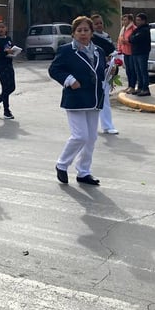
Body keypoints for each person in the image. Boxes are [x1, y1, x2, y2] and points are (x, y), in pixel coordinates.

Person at [48, 16, 107, 186]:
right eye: (79, 30)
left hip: (94, 99)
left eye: (86, 30)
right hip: (75, 99)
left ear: (91, 32)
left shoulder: (98, 51)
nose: (83, 33)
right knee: (80, 136)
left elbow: (100, 71)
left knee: (91, 138)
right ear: (73, 33)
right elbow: (54, 69)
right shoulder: (66, 50)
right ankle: (62, 164)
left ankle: (84, 172)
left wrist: (112, 70)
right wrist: (69, 80)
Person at [91, 14, 118, 135]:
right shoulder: (92, 39)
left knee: (104, 99)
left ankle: (107, 125)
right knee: (96, 100)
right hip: (95, 72)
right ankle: (95, 125)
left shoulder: (106, 37)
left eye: (100, 23)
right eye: (96, 23)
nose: (99, 25)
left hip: (107, 71)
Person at [0, 20, 17, 119]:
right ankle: (6, 110)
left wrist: (13, 52)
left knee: (12, 87)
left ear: (6, 28)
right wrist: (5, 53)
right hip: (0, 65)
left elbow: (11, 48)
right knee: (5, 87)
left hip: (9, 65)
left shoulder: (8, 39)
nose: (1, 29)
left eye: (3, 27)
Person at [128, 13, 152, 96]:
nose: (137, 22)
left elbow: (135, 39)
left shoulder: (145, 30)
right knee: (138, 71)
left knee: (143, 71)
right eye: (136, 20)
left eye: (139, 20)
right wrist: (132, 38)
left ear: (143, 21)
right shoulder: (137, 29)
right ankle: (140, 88)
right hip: (135, 52)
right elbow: (130, 38)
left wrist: (133, 38)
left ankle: (145, 89)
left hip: (142, 53)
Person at [117, 13, 137, 94]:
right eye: (123, 20)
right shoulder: (123, 29)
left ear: (130, 20)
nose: (123, 21)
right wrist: (119, 49)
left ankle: (132, 86)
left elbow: (134, 41)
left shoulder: (133, 28)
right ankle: (129, 86)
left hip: (132, 52)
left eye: (125, 20)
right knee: (128, 70)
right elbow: (119, 39)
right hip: (125, 52)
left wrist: (127, 42)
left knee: (132, 70)